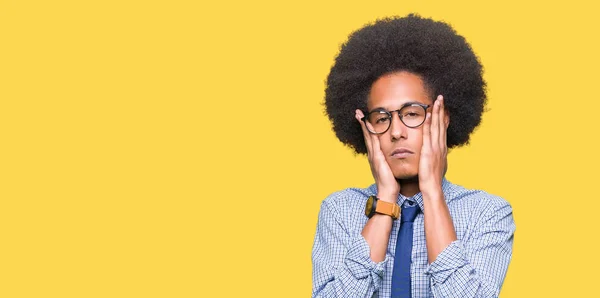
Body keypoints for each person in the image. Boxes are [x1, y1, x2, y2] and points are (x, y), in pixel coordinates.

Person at [311, 14, 516, 298]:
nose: (396, 132)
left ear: (442, 119)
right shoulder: (340, 211)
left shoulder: (487, 213)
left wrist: (432, 193)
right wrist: (385, 202)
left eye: (411, 114)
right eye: (381, 118)